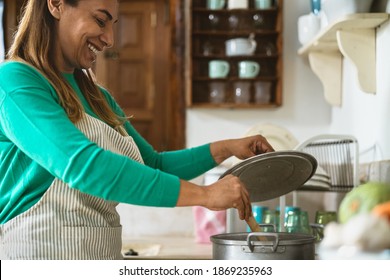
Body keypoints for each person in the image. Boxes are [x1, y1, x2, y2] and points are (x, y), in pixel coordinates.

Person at [0, 0, 274, 260]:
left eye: (113, 25)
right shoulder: (15, 81)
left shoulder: (98, 98)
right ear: (56, 4)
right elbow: (82, 165)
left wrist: (227, 148)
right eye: (100, 20)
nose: (110, 39)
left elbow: (153, 164)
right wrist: (205, 195)